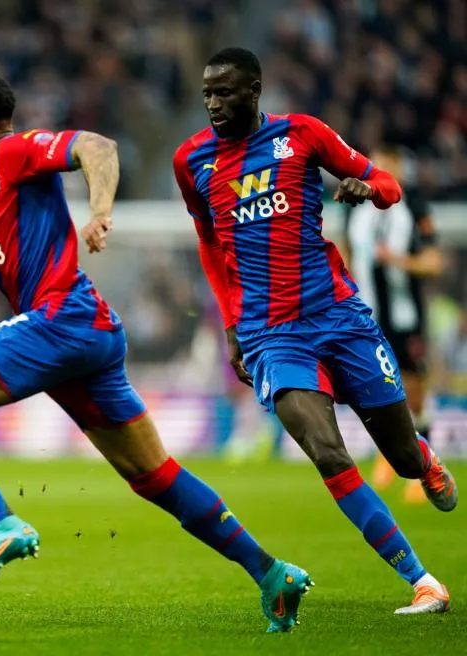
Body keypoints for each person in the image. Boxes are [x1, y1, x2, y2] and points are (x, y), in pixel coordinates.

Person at [0, 71, 312, 633]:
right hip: (81, 337)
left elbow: (98, 147)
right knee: (154, 476)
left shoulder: (16, 153)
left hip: (62, 317)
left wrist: (99, 211)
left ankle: (1, 524)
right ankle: (271, 572)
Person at [173, 47, 456, 616]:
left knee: (399, 455)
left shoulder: (301, 135)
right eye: (207, 93)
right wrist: (230, 324)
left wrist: (366, 190)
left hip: (338, 317)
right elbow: (208, 243)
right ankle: (423, 580)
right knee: (329, 454)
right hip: (270, 334)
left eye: (224, 92)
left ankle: (423, 462)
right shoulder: (193, 161)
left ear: (254, 91)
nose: (212, 103)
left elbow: (386, 183)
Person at [341, 145, 443, 502]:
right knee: (374, 390)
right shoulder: (354, 208)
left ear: (400, 167)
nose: (381, 168)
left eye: (388, 163)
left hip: (406, 317)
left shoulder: (413, 207)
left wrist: (397, 260)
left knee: (414, 393)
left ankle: (423, 470)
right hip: (366, 318)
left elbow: (434, 263)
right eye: (376, 162)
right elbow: (346, 258)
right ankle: (390, 455)